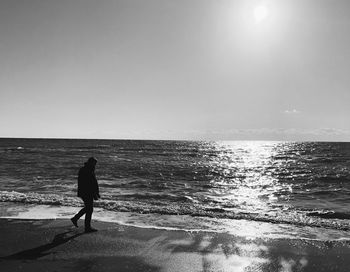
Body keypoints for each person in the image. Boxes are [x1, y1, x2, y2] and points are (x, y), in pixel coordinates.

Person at [71, 157, 100, 233]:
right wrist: (94, 193)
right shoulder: (86, 170)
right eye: (94, 163)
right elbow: (89, 183)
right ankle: (87, 227)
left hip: (86, 192)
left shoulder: (89, 169)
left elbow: (93, 182)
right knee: (89, 209)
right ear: (91, 162)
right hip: (86, 192)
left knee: (88, 208)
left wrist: (96, 192)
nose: (95, 165)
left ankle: (76, 219)